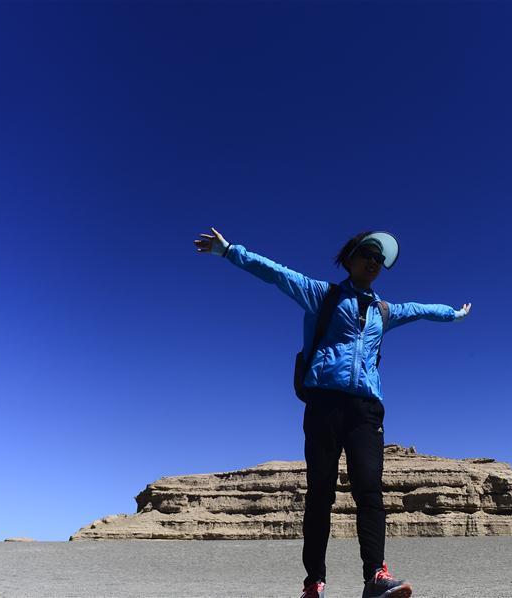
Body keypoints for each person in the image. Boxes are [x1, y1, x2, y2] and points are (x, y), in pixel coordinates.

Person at [194, 228, 472, 598]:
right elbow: (275, 273)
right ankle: (314, 583)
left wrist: (453, 315)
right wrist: (229, 251)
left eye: (380, 258)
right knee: (320, 494)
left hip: (365, 411)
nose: (374, 261)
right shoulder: (322, 295)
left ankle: (376, 576)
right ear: (350, 258)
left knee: (369, 490)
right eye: (367, 253)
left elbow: (421, 310)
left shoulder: (384, 312)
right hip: (324, 405)